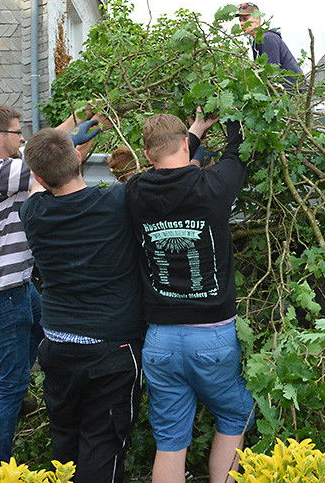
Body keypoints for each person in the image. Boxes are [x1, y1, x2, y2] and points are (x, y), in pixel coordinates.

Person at [124, 112, 255, 483]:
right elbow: (239, 151)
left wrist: (194, 131)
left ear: (147, 156)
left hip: (160, 338)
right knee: (235, 416)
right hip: (211, 336)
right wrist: (231, 118)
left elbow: (168, 167)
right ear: (184, 145)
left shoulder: (134, 191)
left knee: (169, 440)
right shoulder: (212, 184)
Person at [19, 121, 146, 482]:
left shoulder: (34, 213)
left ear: (41, 178)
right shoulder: (118, 203)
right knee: (103, 447)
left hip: (57, 346)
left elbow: (36, 183)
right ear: (79, 158)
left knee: (65, 444)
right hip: (111, 349)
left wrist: (62, 152)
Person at [0, 103, 84, 467]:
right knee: (8, 384)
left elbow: (50, 148)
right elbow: (49, 156)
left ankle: (15, 398)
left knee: (45, 336)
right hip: (1, 294)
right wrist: (82, 129)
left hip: (16, 286)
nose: (23, 138)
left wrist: (80, 118)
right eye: (17, 132)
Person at [236, 2, 302, 85]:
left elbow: (271, 74)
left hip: (293, 92)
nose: (241, 23)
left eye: (245, 19)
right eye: (240, 20)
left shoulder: (267, 39)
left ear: (257, 19)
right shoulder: (256, 42)